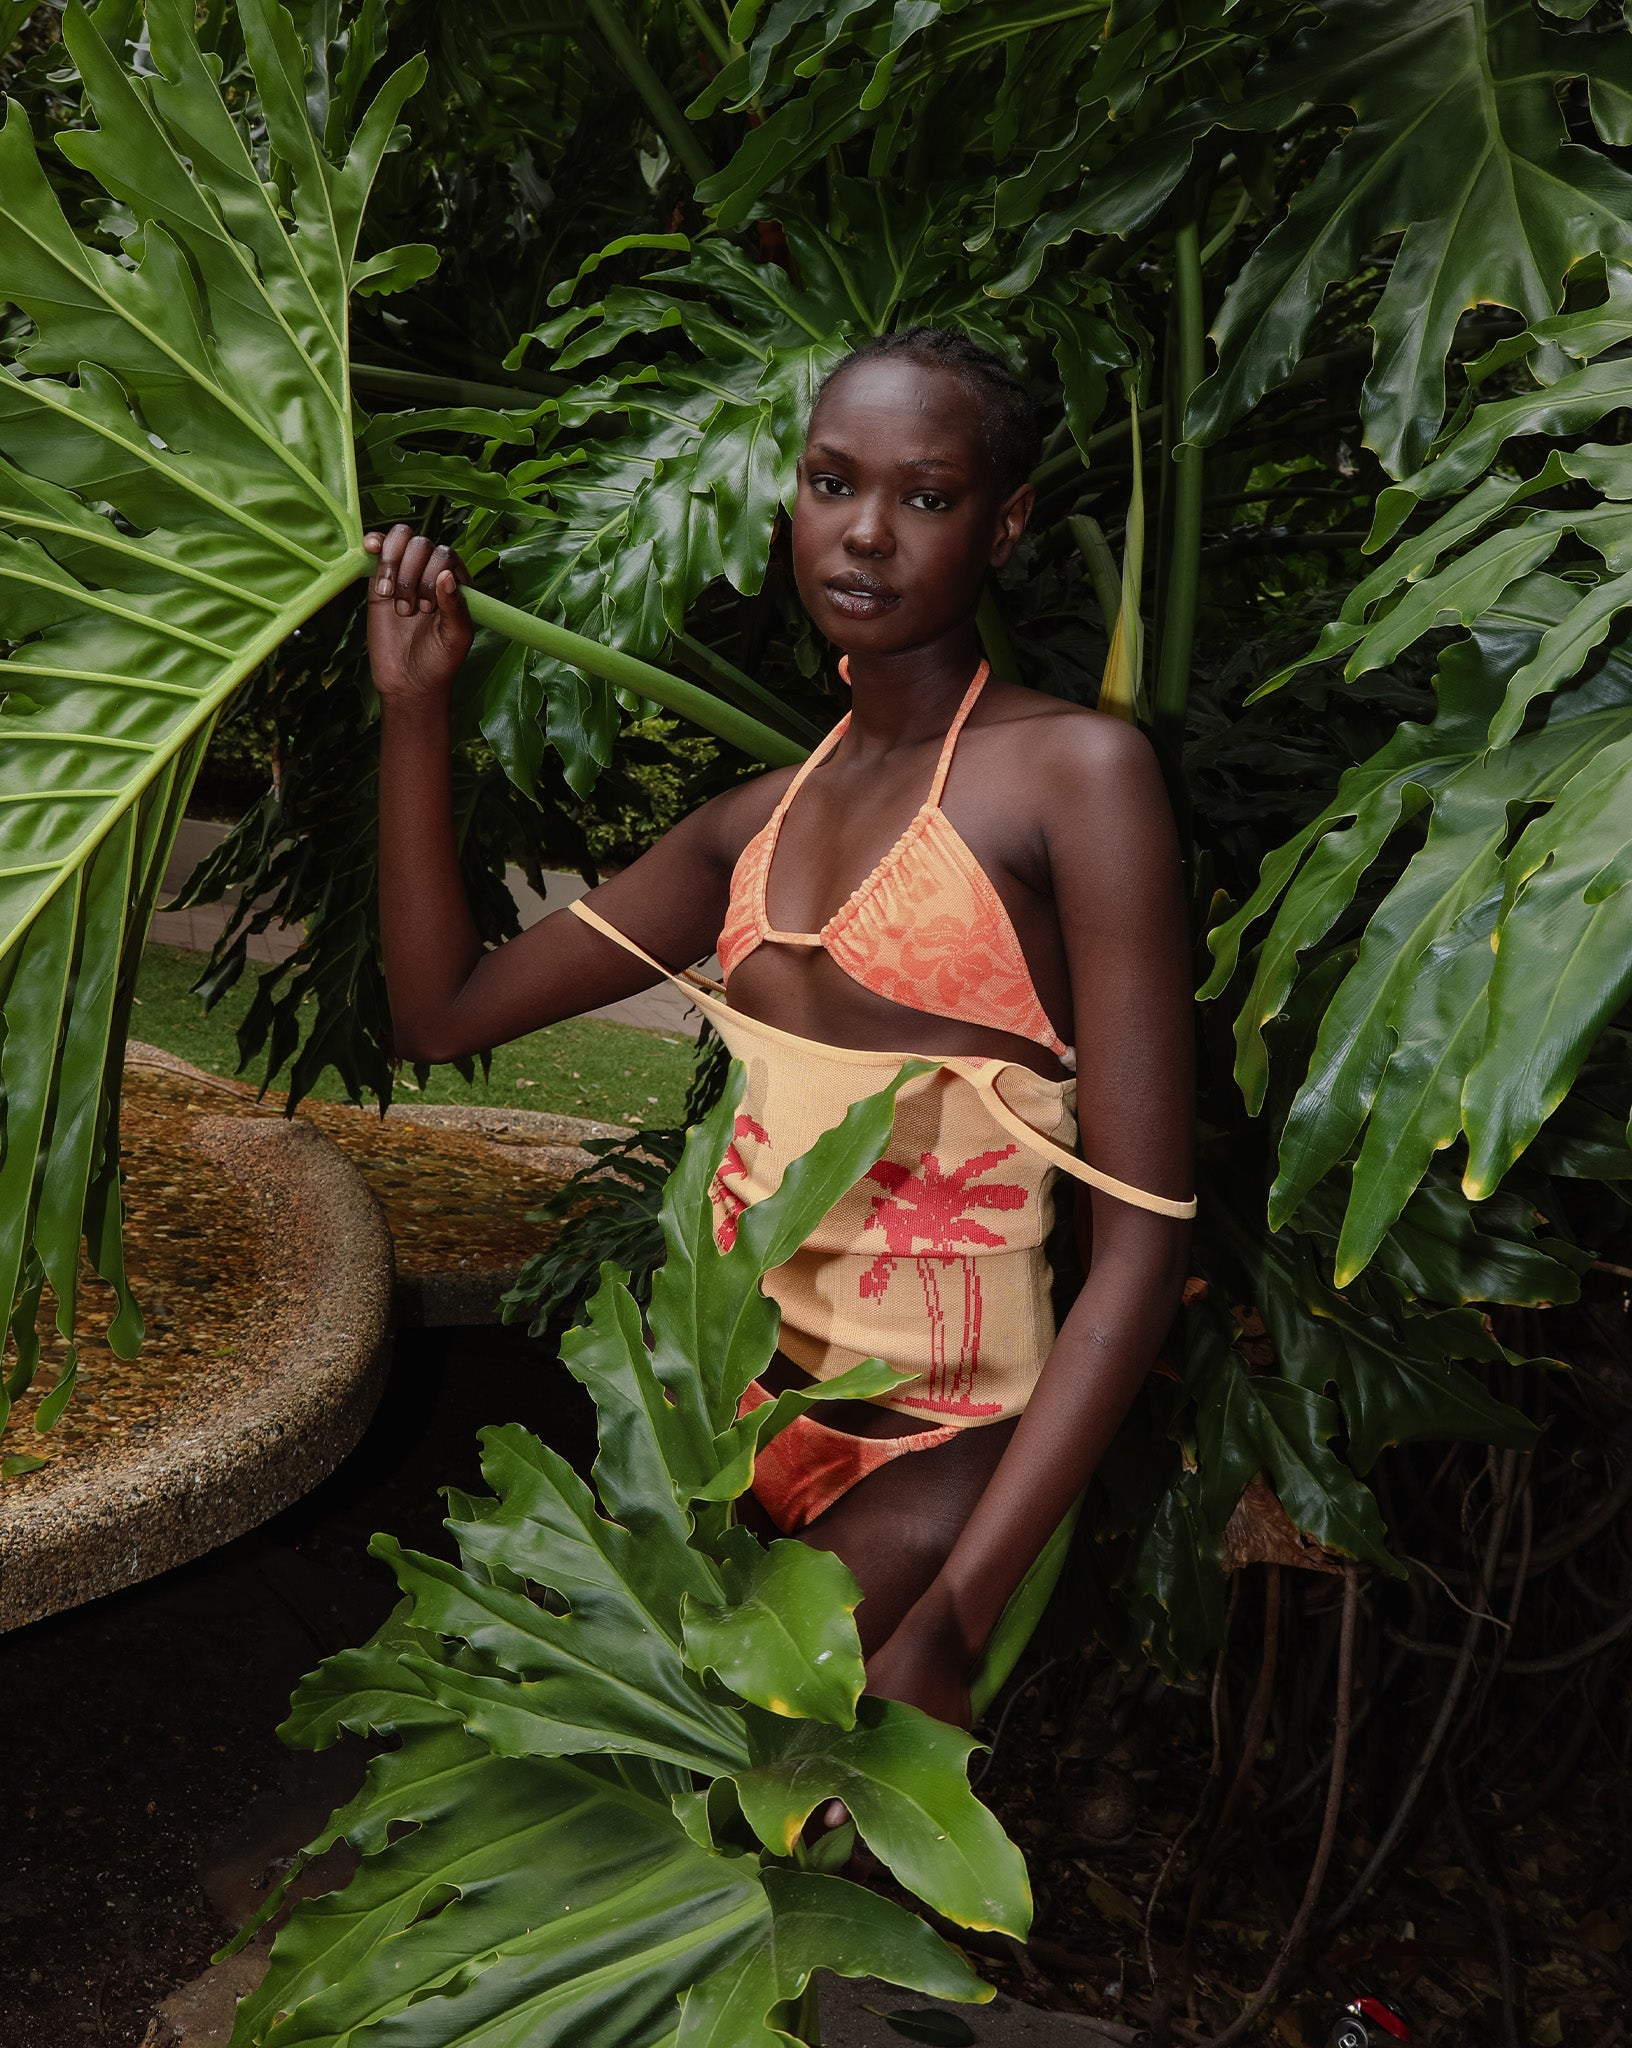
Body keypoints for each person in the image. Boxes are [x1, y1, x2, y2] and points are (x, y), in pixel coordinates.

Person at [366, 327, 1195, 1732]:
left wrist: (958, 1613)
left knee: (681, 1808)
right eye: (831, 482)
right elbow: (441, 1014)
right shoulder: (757, 821)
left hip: (940, 1460)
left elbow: (1146, 1234)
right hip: (729, 1423)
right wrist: (414, 715)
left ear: (1005, 527)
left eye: (925, 498)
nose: (865, 534)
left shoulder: (1076, 776)